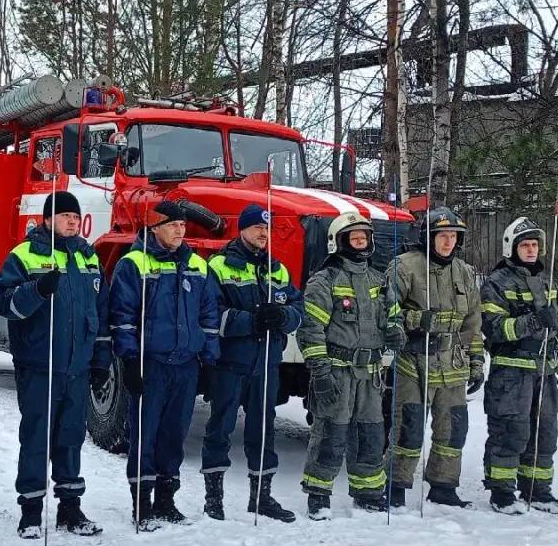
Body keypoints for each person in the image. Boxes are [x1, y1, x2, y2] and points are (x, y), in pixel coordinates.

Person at [0, 191, 109, 538]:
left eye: (76, 217)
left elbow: (101, 313)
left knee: (71, 438)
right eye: (66, 216)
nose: (73, 221)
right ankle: (30, 512)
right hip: (39, 365)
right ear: (47, 219)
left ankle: (70, 510)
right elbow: (4, 303)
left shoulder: (88, 257)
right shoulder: (25, 255)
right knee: (37, 439)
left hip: (77, 367)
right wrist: (38, 290)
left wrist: (101, 359)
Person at [109, 200, 221, 530]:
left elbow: (209, 317)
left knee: (174, 435)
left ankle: (166, 500)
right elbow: (122, 318)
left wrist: (209, 362)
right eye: (173, 225)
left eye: (183, 226)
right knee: (145, 434)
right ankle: (141, 504)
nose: (179, 230)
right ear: (156, 226)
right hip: (150, 364)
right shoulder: (134, 264)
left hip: (185, 366)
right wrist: (129, 360)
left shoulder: (198, 266)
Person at [298, 211, 404, 520]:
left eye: (364, 237)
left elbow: (391, 316)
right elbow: (311, 331)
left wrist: (394, 332)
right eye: (353, 238)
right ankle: (318, 495)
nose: (360, 243)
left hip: (370, 375)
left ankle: (368, 492)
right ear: (338, 242)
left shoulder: (379, 279)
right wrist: (319, 373)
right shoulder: (324, 280)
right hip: (336, 371)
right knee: (331, 432)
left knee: (371, 433)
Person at [201, 203, 303, 523]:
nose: (263, 233)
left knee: (263, 429)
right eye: (257, 227)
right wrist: (252, 321)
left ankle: (261, 496)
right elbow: (210, 315)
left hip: (266, 363)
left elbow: (298, 308)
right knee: (220, 428)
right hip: (231, 363)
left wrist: (284, 316)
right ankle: (213, 498)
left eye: (267, 229)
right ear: (242, 229)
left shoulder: (278, 269)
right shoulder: (219, 265)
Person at [479, 216, 558, 515]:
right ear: (512, 247)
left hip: (544, 371)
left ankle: (537, 490)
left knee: (544, 433)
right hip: (511, 372)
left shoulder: (547, 281)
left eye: (535, 244)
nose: (531, 250)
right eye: (525, 245)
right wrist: (534, 320)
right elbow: (495, 328)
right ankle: (501, 493)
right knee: (510, 431)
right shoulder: (496, 283)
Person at [386, 207, 483, 509]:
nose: (448, 242)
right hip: (413, 361)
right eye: (442, 236)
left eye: (453, 236)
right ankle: (396, 485)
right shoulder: (404, 267)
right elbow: (385, 313)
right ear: (429, 237)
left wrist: (476, 362)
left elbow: (472, 323)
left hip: (452, 364)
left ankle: (443, 485)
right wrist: (415, 319)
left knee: (453, 429)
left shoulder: (465, 273)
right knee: (408, 427)